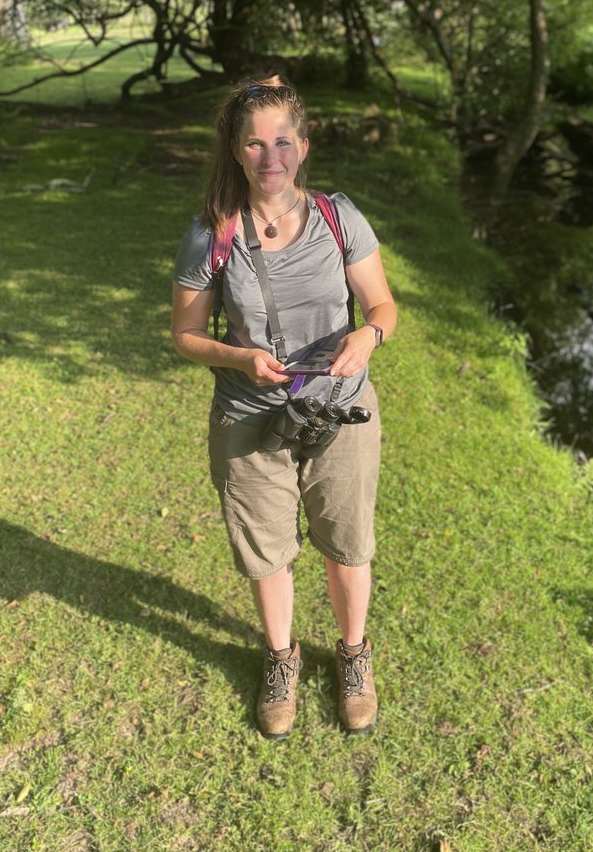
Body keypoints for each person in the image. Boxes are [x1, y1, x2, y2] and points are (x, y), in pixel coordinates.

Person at [171, 79, 397, 739]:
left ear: (304, 143)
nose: (271, 157)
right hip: (248, 415)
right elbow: (185, 336)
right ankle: (281, 658)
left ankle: (353, 656)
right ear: (236, 150)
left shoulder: (338, 217)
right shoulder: (211, 234)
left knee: (347, 543)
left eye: (283, 141)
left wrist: (368, 335)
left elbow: (383, 308)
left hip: (341, 411)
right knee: (266, 551)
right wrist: (239, 358)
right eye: (255, 143)